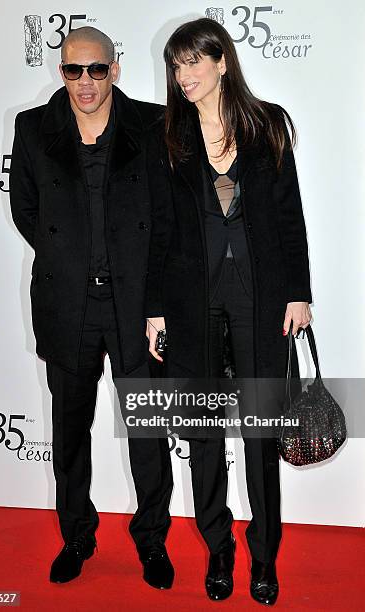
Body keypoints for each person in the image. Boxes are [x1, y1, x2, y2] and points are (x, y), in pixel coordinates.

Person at [146, 17, 312, 605]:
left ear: (221, 61)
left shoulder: (267, 124)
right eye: (175, 64)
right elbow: (161, 230)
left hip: (261, 299)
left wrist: (300, 292)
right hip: (193, 303)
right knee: (204, 434)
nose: (182, 74)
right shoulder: (169, 135)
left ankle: (264, 555)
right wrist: (156, 308)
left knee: (262, 434)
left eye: (192, 61)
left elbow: (290, 217)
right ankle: (219, 546)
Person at [10, 26, 174, 588]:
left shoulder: (153, 125)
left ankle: (152, 541)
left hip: (137, 307)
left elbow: (168, 215)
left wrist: (151, 294)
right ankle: (76, 536)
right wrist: (72, 258)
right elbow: (26, 211)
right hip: (67, 303)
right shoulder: (33, 128)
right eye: (72, 70)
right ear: (61, 71)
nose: (84, 82)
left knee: (148, 434)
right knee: (69, 432)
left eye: (96, 70)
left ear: (115, 70)